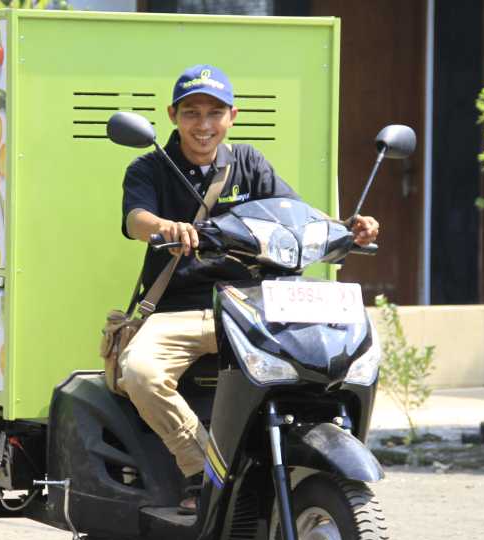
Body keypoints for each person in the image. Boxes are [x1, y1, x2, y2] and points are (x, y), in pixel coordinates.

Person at [118, 64, 380, 513]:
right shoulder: (150, 167)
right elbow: (135, 220)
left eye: (214, 113)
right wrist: (166, 227)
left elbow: (296, 215)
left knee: (336, 359)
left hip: (254, 307)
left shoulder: (250, 163)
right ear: (172, 115)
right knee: (139, 372)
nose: (203, 125)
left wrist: (346, 230)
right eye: (192, 112)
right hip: (180, 310)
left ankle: (309, 462)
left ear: (232, 116)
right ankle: (201, 469)